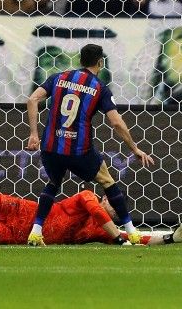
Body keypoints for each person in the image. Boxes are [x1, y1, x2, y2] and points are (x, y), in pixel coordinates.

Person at [25, 44, 154, 246]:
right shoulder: (99, 87)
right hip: (79, 150)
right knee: (107, 181)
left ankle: (35, 232)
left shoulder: (58, 77)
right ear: (100, 62)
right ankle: (132, 231)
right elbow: (116, 122)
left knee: (52, 184)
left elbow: (32, 99)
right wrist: (134, 148)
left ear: (81, 60)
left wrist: (33, 134)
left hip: (51, 147)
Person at [0, 189, 182, 246]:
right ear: (103, 199)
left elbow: (137, 239)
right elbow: (105, 218)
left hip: (22, 237)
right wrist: (116, 234)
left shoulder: (102, 231)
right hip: (26, 212)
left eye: (118, 206)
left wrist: (169, 238)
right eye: (112, 202)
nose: (114, 209)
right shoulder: (87, 198)